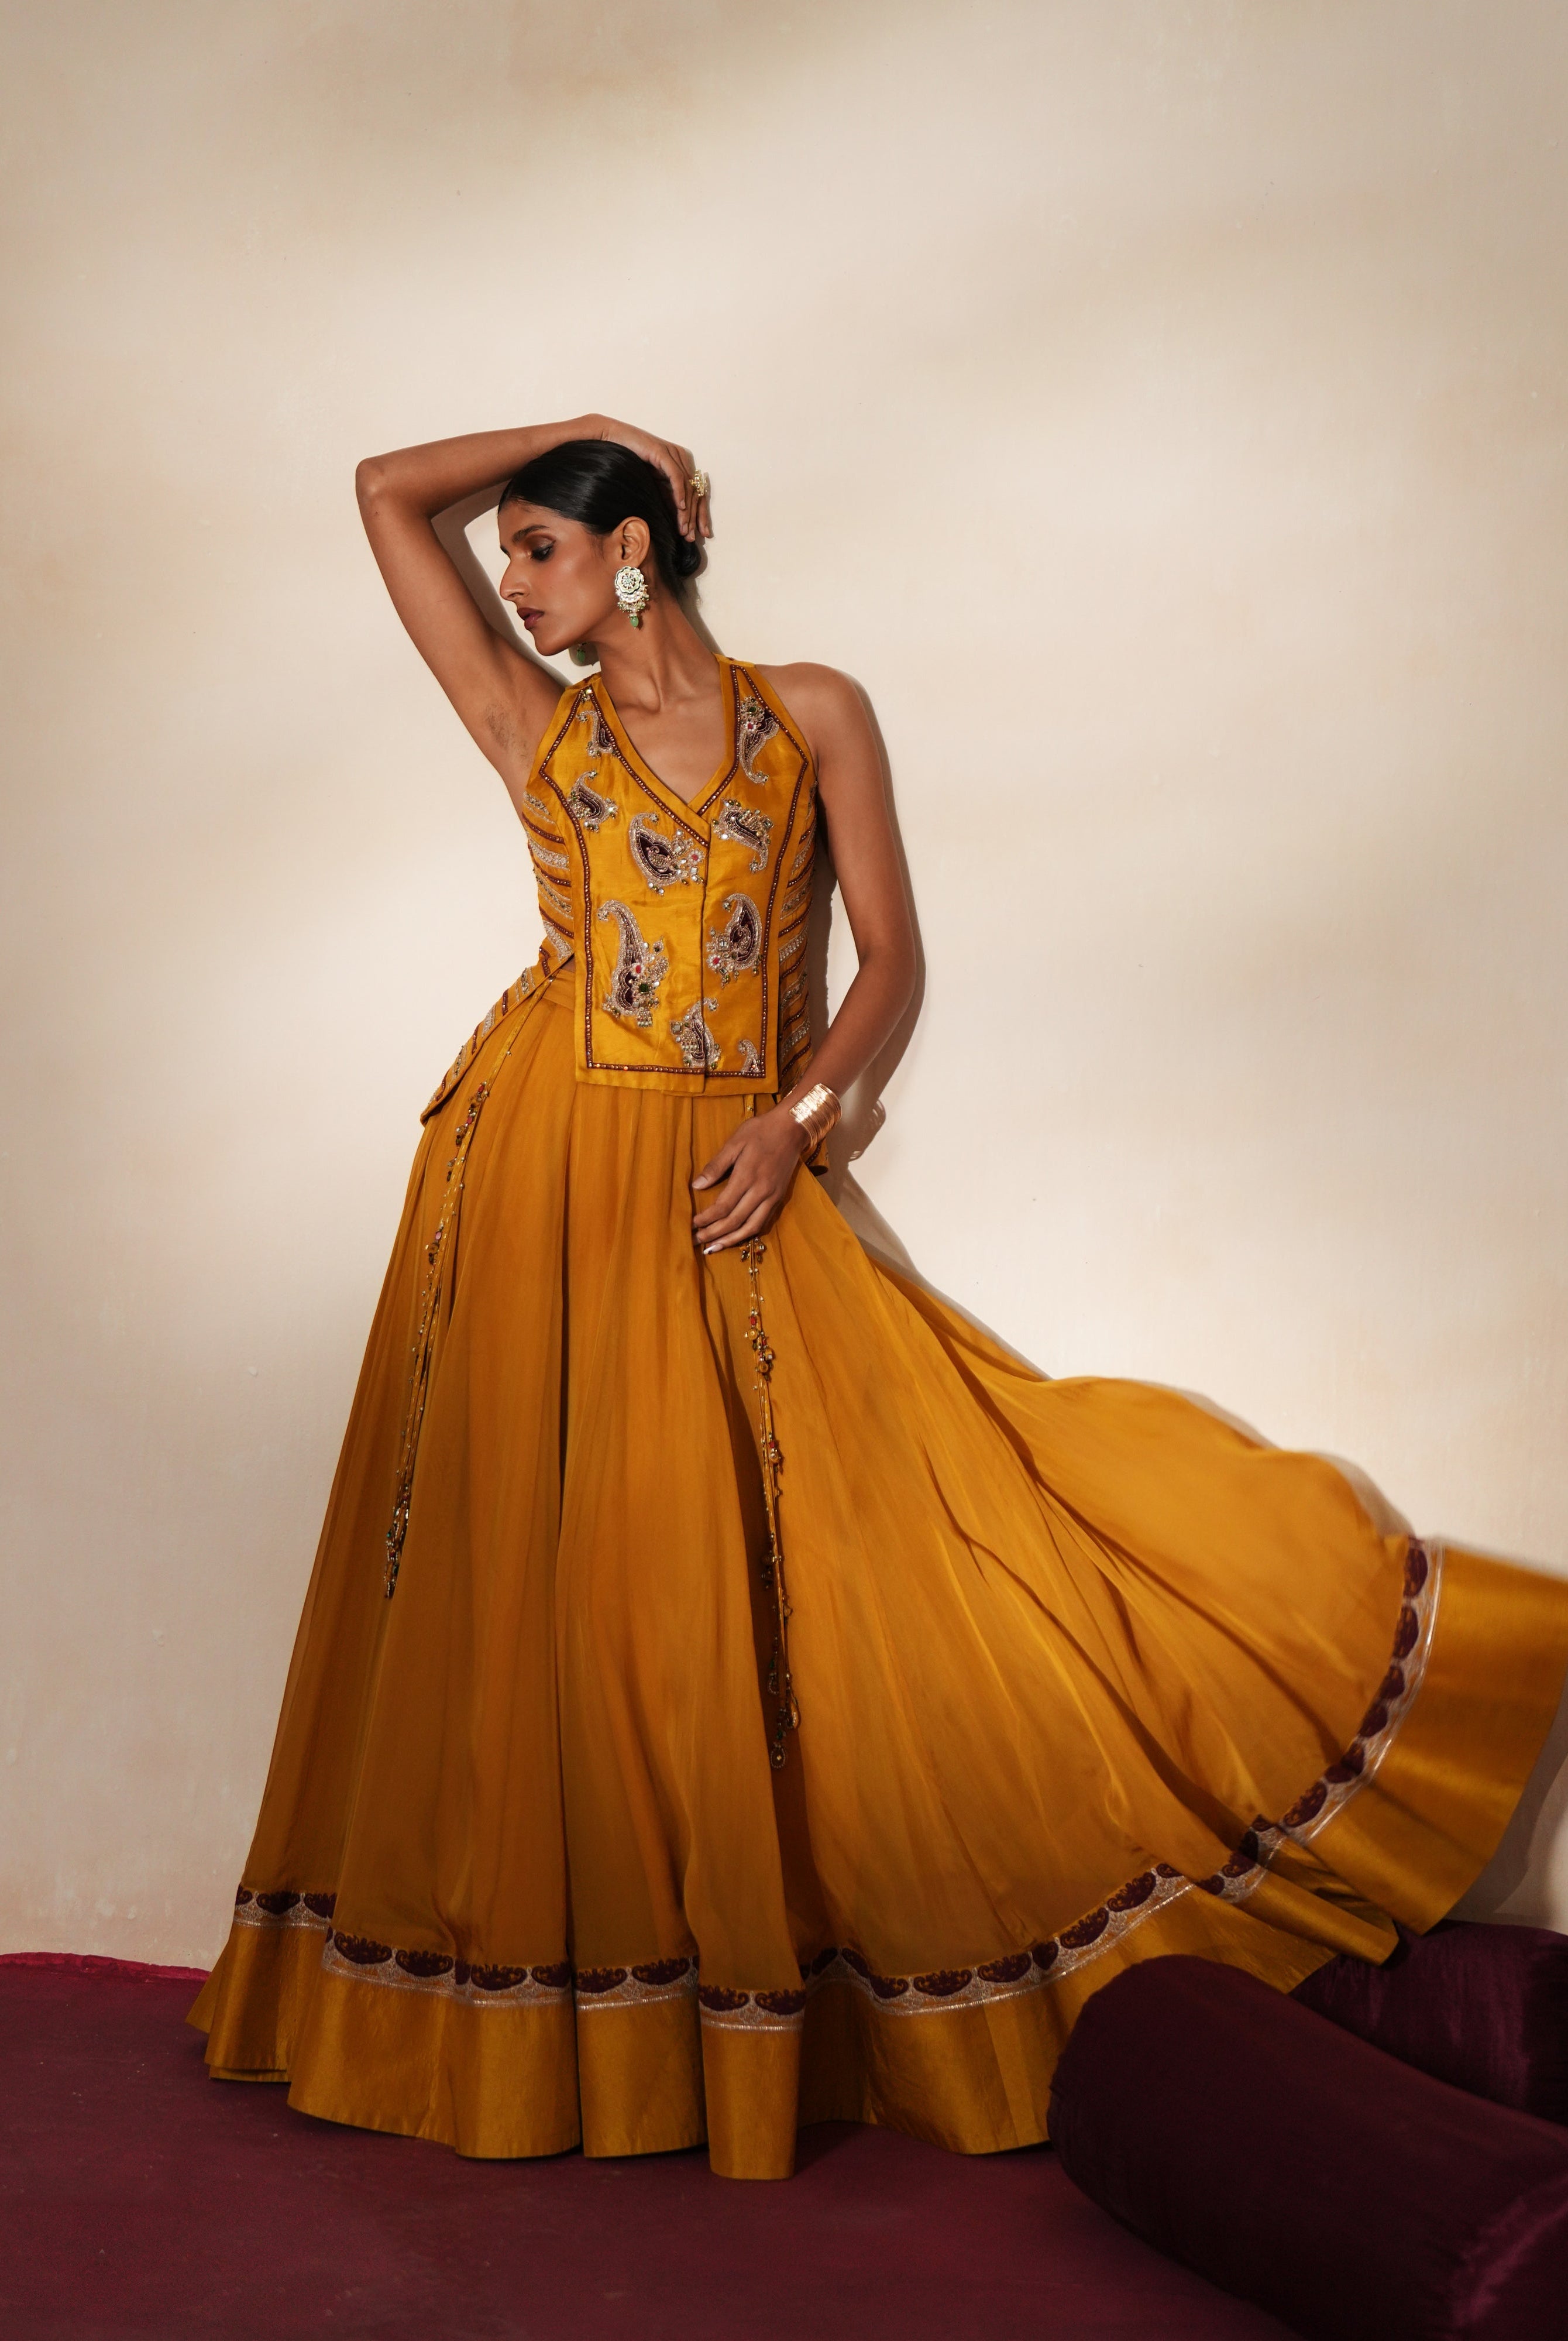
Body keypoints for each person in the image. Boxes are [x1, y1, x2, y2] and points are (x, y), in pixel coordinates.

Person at [189, 413, 1568, 2180]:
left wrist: (797, 1121)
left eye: (540, 545)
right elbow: (386, 489)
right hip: (542, 1180)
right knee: (549, 1591)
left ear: (633, 554)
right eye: (514, 551)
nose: (512, 583)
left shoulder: (809, 715)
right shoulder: (538, 729)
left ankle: (805, 1990)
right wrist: (596, 434)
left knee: (900, 1539)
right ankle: (557, 2039)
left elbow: (893, 963)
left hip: (729, 1170)